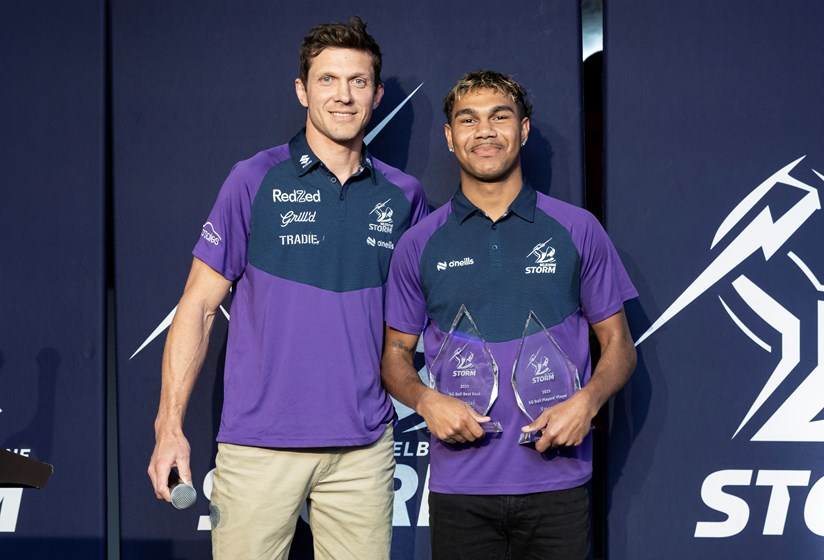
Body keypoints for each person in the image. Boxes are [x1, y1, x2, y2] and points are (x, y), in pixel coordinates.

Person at [148, 16, 428, 560]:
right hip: (259, 446)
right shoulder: (253, 179)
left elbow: (420, 318)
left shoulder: (405, 196)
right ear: (302, 90)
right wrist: (169, 427)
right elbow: (199, 306)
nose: (343, 95)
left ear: (375, 96)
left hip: (363, 449)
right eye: (328, 80)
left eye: (358, 81)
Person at [381, 71, 637, 559]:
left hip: (558, 482)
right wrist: (426, 401)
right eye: (468, 120)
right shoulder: (419, 243)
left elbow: (620, 347)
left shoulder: (577, 229)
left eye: (499, 117)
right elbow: (395, 354)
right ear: (449, 137)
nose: (484, 131)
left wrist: (586, 403)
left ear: (523, 130)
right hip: (460, 489)